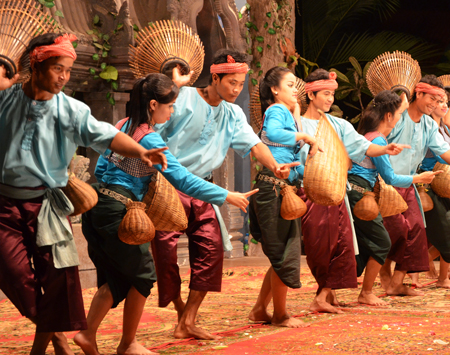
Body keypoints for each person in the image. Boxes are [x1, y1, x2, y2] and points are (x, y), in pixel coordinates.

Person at [0, 33, 167, 355]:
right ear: (36, 65)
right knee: (14, 276)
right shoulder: (5, 101)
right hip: (4, 206)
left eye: (67, 69)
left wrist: (141, 153)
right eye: (57, 68)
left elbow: (106, 135)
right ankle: (57, 333)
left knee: (61, 277)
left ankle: (45, 346)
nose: (63, 77)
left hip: (47, 205)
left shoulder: (72, 110)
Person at [74, 73, 258, 355]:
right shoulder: (149, 139)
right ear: (152, 105)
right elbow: (182, 179)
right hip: (121, 213)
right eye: (169, 106)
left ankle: (89, 336)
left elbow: (100, 168)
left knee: (116, 278)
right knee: (145, 276)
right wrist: (226, 195)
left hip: (98, 207)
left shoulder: (123, 126)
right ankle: (127, 343)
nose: (172, 111)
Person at [151, 49, 298, 339]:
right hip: (168, 186)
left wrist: (276, 166)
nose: (237, 89)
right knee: (165, 257)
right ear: (215, 77)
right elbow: (154, 127)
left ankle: (189, 320)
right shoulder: (185, 98)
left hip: (204, 189)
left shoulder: (233, 113)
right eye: (231, 82)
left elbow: (255, 145)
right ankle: (182, 312)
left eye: (241, 84)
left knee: (211, 251)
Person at [296, 68, 407, 314]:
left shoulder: (338, 124)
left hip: (336, 193)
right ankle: (322, 294)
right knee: (319, 247)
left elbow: (364, 147)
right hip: (306, 191)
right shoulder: (296, 123)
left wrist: (385, 150)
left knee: (342, 245)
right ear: (311, 95)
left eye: (331, 95)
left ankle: (325, 295)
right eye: (325, 94)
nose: (330, 100)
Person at [347, 90, 439, 306]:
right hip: (361, 194)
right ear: (389, 116)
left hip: (360, 192)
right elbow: (389, 176)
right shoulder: (377, 139)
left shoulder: (371, 135)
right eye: (400, 113)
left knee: (380, 239)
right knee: (381, 241)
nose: (401, 118)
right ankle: (366, 292)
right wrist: (419, 178)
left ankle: (338, 293)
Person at [248, 67, 320, 327]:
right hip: (274, 188)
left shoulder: (288, 113)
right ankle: (280, 314)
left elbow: (293, 147)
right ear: (275, 90)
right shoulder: (276, 111)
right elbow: (271, 135)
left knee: (283, 254)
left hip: (283, 188)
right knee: (284, 254)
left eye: (296, 85)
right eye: (290, 85)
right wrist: (303, 135)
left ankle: (259, 309)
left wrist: (299, 117)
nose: (295, 90)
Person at [380, 75, 450, 296]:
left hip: (410, 182)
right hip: (385, 182)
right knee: (395, 231)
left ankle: (397, 283)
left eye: (440, 101)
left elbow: (445, 153)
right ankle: (382, 270)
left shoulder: (429, 124)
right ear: (418, 94)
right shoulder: (397, 118)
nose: (436, 105)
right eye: (432, 98)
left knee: (417, 230)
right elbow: (375, 142)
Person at [410, 90, 450, 289]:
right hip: (427, 184)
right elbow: (442, 156)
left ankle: (443, 277)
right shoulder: (428, 126)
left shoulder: (444, 129)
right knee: (443, 231)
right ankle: (420, 269)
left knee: (446, 232)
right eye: (439, 101)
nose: (444, 105)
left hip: (445, 185)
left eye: (446, 103)